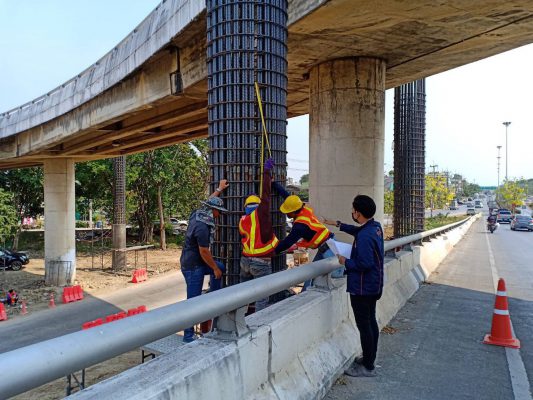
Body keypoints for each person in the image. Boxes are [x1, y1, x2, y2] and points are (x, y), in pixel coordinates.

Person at [324, 195, 384, 378]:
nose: (351, 212)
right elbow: (357, 231)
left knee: (364, 325)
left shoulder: (365, 236)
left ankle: (368, 366)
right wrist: (337, 224)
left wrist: (345, 261)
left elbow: (365, 263)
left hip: (363, 288)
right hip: (373, 284)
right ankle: (369, 357)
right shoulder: (374, 227)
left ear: (358, 213)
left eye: (353, 209)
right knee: (370, 321)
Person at [180, 179, 229, 343]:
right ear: (213, 211)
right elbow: (204, 251)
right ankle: (188, 336)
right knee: (193, 302)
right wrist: (214, 268)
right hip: (193, 266)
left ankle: (213, 298)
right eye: (219, 212)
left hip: (194, 262)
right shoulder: (202, 227)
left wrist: (219, 189)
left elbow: (209, 201)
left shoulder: (198, 214)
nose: (219, 215)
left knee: (221, 266)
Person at [272, 181, 335, 290]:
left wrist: (273, 251)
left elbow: (287, 242)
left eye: (287, 211)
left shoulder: (300, 225)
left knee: (314, 276)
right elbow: (288, 198)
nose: (286, 213)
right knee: (313, 274)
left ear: (293, 211)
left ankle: (305, 293)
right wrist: (274, 183)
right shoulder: (303, 208)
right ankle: (305, 291)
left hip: (328, 248)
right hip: (329, 243)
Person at [239, 159, 278, 311]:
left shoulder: (243, 220)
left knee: (243, 295)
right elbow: (266, 194)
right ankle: (259, 322)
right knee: (262, 298)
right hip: (261, 263)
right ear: (258, 206)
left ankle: (240, 317)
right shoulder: (261, 214)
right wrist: (266, 172)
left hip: (245, 261)